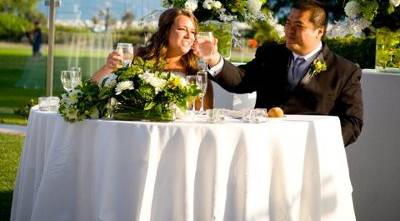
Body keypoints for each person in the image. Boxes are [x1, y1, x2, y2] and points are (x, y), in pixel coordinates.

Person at [197, 0, 363, 146]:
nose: (289, 30)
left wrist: (318, 145)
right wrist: (213, 58)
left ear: (319, 32)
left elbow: (352, 122)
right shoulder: (271, 55)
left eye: (299, 26)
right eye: (288, 23)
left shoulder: (344, 71)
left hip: (309, 156)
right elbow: (241, 80)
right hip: (264, 146)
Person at [91, 8, 213, 109]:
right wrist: (108, 68)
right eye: (182, 29)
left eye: (193, 32)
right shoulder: (138, 56)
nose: (189, 36)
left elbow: (203, 114)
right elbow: (92, 87)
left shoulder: (197, 72)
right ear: (166, 31)